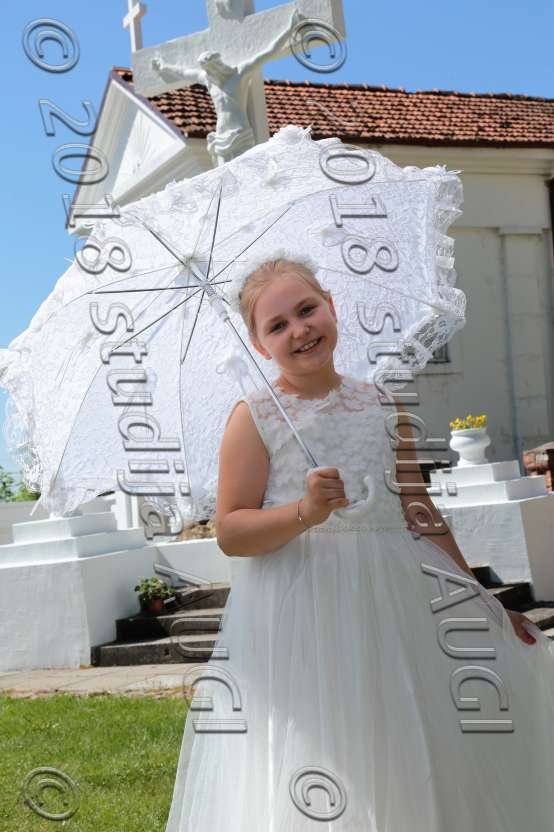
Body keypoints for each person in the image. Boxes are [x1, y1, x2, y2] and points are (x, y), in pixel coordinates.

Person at [165, 257, 554, 831]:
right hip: (304, 606)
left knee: (410, 729)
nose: (299, 330)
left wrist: (484, 600)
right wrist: (304, 511)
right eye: (277, 326)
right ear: (259, 344)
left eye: (307, 309)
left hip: (397, 595)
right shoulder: (256, 417)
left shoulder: (382, 404)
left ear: (331, 305)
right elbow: (231, 531)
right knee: (331, 741)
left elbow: (419, 511)